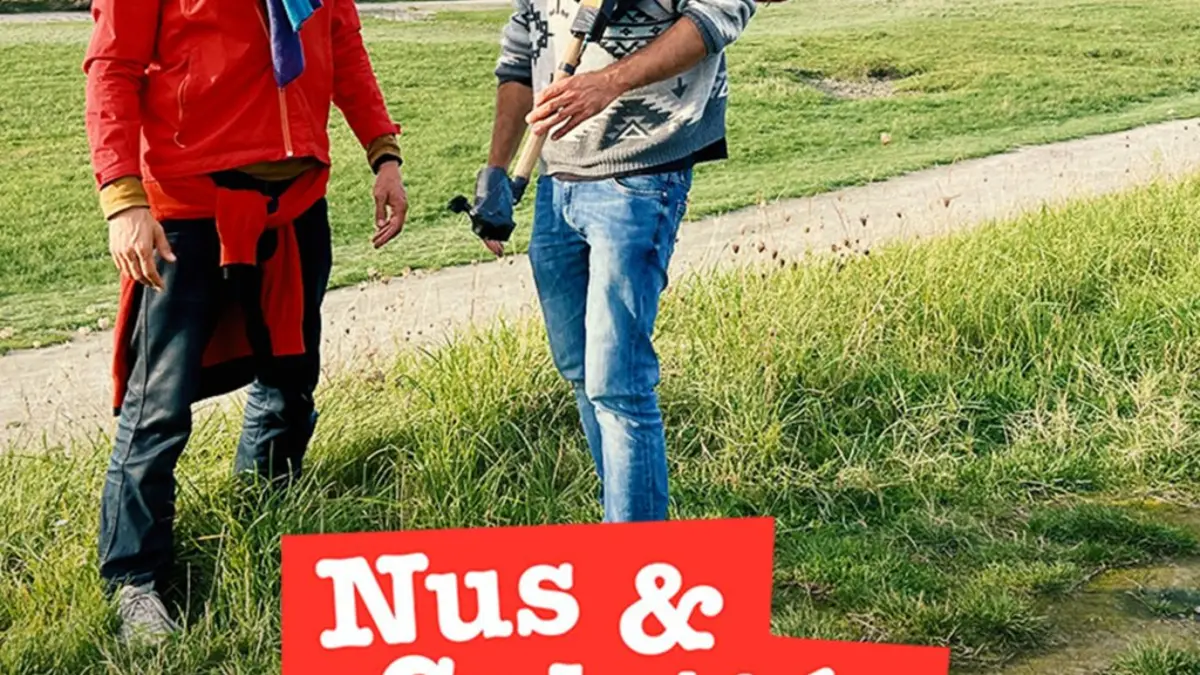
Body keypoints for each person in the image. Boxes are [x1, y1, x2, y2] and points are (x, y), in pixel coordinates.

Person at [83, 0, 408, 643]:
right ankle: (134, 581)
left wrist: (383, 153)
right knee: (157, 408)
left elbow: (344, 48)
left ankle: (262, 515)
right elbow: (112, 66)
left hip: (295, 204)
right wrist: (122, 196)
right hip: (185, 208)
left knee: (289, 381)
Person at [469, 0, 755, 522]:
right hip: (556, 178)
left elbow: (720, 14)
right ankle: (626, 528)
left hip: (641, 172)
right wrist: (496, 172)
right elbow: (520, 52)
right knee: (581, 370)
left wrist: (610, 82)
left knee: (616, 381)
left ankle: (635, 554)